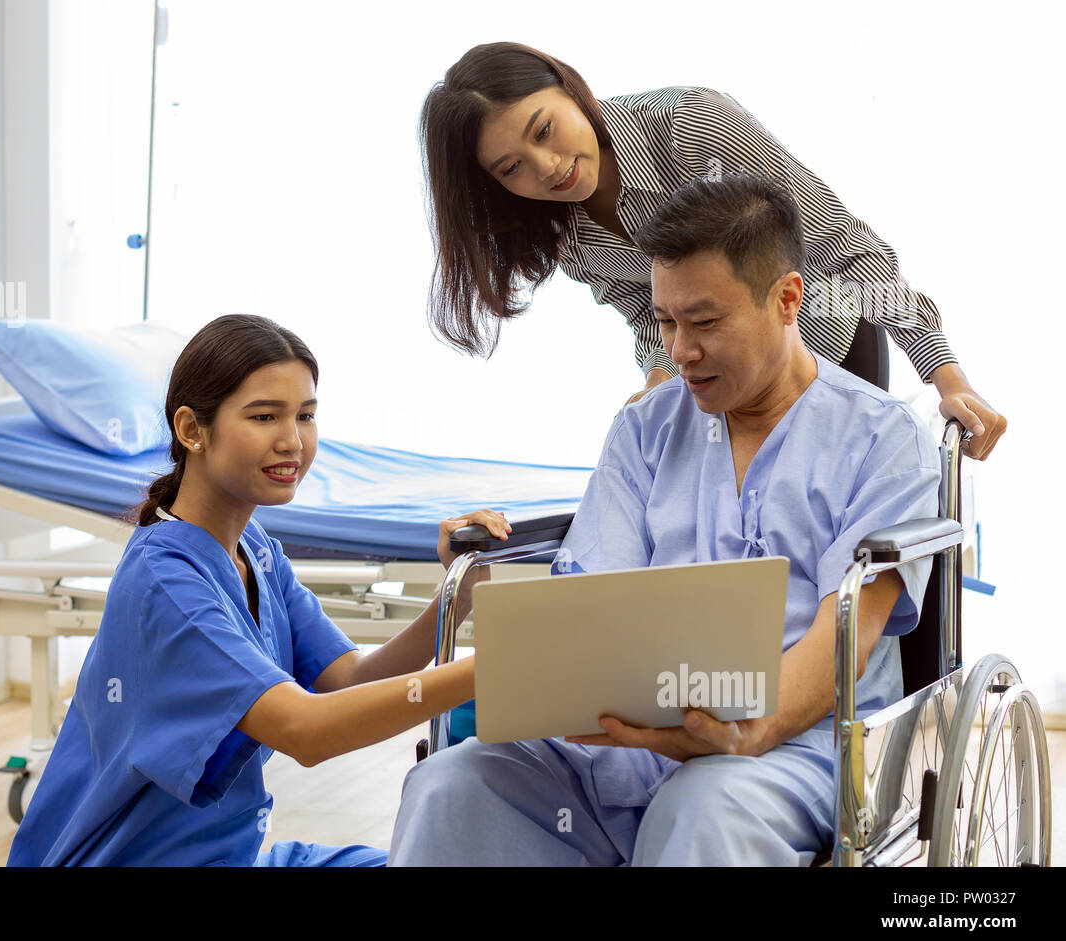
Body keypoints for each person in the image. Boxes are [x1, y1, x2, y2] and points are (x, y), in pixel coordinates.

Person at [388, 173, 943, 866]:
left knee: (699, 808)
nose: (679, 351)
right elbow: (593, 592)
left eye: (704, 322)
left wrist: (746, 731)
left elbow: (848, 635)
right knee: (450, 784)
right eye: (665, 321)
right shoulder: (645, 430)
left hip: (792, 754)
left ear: (787, 300)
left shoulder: (882, 440)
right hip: (622, 744)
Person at [6, 313, 507, 866]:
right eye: (265, 416)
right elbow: (305, 730)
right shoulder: (166, 581)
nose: (292, 441)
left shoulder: (257, 550)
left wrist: (456, 596)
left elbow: (349, 680)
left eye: (306, 416)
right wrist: (499, 668)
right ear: (192, 430)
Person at [420, 41, 1005, 460]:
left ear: (568, 90)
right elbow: (643, 312)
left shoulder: (689, 122)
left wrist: (946, 377)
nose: (546, 169)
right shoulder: (562, 234)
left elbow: (850, 252)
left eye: (544, 130)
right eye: (511, 167)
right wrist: (656, 374)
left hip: (824, 354)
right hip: (715, 392)